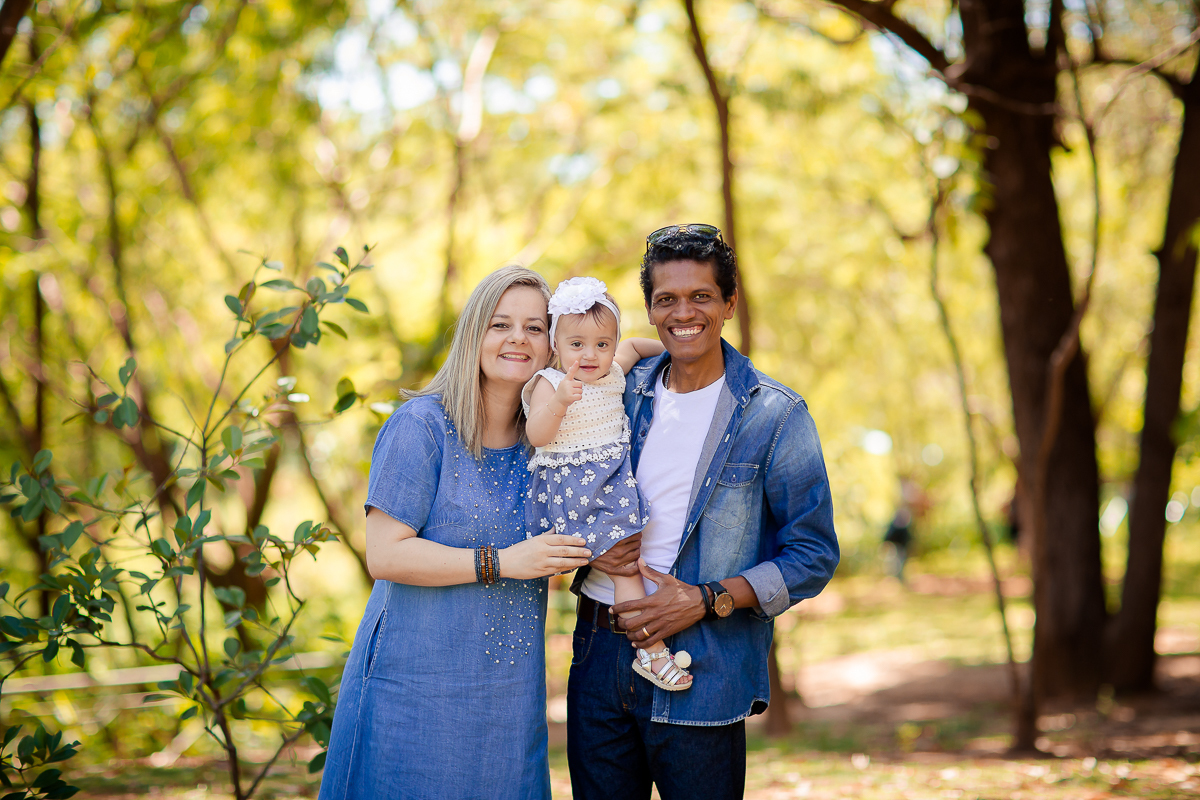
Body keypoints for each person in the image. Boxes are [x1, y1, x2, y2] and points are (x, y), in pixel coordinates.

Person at [565, 224, 840, 800]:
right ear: (648, 310)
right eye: (666, 299)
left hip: (704, 662)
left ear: (729, 303)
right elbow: (561, 465)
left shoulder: (774, 416)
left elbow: (813, 554)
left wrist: (709, 596)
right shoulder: (619, 389)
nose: (683, 312)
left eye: (701, 296)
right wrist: (589, 541)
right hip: (598, 651)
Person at [318, 266, 594, 800]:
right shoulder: (421, 427)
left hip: (507, 699)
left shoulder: (548, 444)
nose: (518, 338)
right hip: (413, 689)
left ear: (552, 345)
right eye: (500, 324)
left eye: (535, 328)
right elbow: (385, 555)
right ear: (473, 334)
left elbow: (627, 355)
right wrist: (503, 561)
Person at [523, 276, 692, 691]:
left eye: (602, 344)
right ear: (556, 347)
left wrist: (680, 353)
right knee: (625, 567)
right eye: (576, 344)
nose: (590, 354)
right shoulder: (549, 381)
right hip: (576, 493)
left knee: (628, 562)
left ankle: (650, 649)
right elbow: (537, 435)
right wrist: (560, 401)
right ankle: (651, 653)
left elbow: (636, 346)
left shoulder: (615, 370)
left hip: (609, 486)